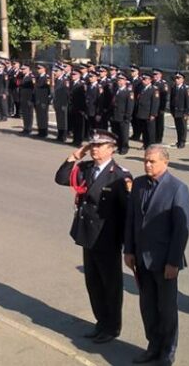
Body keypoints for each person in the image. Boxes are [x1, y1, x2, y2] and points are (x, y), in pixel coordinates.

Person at [54, 131, 132, 343]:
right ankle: (101, 322)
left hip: (107, 238)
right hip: (87, 234)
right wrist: (76, 155)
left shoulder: (120, 175)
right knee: (93, 283)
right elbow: (61, 178)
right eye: (93, 145)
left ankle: (112, 327)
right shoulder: (87, 168)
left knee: (110, 285)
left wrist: (128, 246)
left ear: (112, 148)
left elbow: (127, 214)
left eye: (100, 145)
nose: (95, 149)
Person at [124, 145, 189, 365]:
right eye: (145, 160)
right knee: (148, 306)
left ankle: (168, 351)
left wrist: (173, 262)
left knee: (167, 308)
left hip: (164, 261)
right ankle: (153, 345)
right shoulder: (139, 184)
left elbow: (180, 230)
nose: (147, 165)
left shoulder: (177, 188)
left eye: (152, 161)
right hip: (142, 258)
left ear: (166, 162)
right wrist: (129, 249)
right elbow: (132, 218)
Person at [134, 72, 159, 149]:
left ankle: (151, 145)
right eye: (143, 79)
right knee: (144, 130)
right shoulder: (142, 88)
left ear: (150, 80)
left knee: (150, 131)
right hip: (141, 113)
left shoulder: (154, 89)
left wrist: (153, 114)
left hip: (149, 113)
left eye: (145, 79)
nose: (143, 80)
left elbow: (155, 103)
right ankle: (145, 144)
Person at [111, 74, 134, 155]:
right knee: (116, 133)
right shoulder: (116, 90)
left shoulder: (128, 92)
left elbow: (130, 106)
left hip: (123, 116)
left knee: (124, 134)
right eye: (118, 80)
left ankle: (124, 148)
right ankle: (119, 146)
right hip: (115, 115)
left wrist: (127, 116)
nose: (119, 81)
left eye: (121, 80)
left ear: (125, 81)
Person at [169, 72, 189, 149]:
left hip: (182, 111)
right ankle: (178, 141)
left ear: (182, 79)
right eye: (176, 78)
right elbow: (172, 99)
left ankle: (182, 142)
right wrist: (171, 110)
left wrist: (186, 113)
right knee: (178, 127)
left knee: (183, 127)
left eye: (178, 78)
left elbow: (188, 102)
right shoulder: (174, 87)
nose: (176, 80)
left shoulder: (186, 88)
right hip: (175, 111)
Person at [53, 66, 71, 142]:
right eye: (55, 71)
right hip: (57, 102)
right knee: (59, 119)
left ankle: (63, 136)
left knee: (63, 120)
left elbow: (67, 94)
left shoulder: (65, 80)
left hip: (63, 103)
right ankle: (59, 135)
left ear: (61, 71)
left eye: (56, 71)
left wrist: (64, 104)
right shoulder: (57, 79)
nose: (55, 73)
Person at [34, 64, 52, 137]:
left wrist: (46, 101)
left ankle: (44, 132)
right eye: (38, 69)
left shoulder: (46, 78)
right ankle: (40, 130)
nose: (38, 70)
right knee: (39, 116)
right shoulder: (38, 77)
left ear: (44, 69)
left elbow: (48, 91)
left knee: (43, 116)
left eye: (40, 68)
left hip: (43, 100)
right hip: (38, 99)